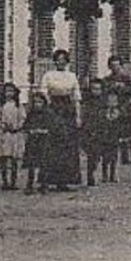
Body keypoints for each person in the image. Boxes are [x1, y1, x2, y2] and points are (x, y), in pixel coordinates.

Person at [37, 49, 83, 191]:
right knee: (52, 146)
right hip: (53, 110)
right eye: (58, 59)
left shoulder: (72, 76)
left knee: (67, 145)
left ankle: (64, 180)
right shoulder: (48, 75)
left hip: (68, 111)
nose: (60, 62)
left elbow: (76, 98)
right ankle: (49, 179)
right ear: (54, 61)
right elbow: (43, 95)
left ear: (67, 61)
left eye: (63, 59)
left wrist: (78, 116)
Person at [0, 83, 26, 191]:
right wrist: (3, 125)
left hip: (15, 134)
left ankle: (13, 181)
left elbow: (22, 118)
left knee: (14, 159)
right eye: (7, 91)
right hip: (4, 134)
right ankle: (5, 181)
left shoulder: (18, 105)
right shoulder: (0, 105)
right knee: (4, 158)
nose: (9, 94)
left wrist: (18, 126)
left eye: (11, 91)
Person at [21, 93, 51, 194]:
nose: (37, 105)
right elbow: (26, 126)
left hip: (44, 141)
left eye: (40, 102)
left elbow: (52, 127)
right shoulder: (31, 115)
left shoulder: (48, 114)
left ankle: (44, 184)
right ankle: (29, 184)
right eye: (35, 102)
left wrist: (44, 130)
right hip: (32, 141)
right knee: (31, 164)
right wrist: (31, 131)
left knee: (44, 163)